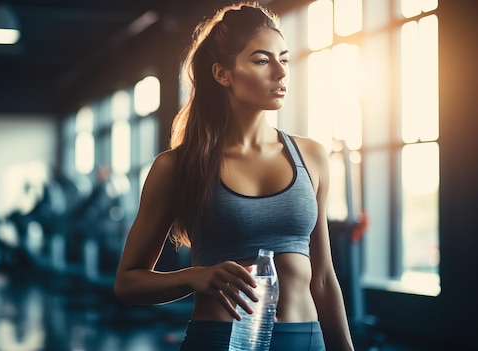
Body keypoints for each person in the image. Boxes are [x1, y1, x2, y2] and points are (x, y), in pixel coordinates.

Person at [114, 2, 355, 350]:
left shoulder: (312, 156)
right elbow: (127, 284)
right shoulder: (177, 167)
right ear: (222, 74)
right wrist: (195, 277)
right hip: (219, 341)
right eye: (262, 60)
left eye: (283, 59)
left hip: (305, 340)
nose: (280, 72)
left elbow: (323, 278)